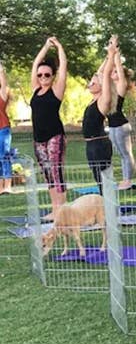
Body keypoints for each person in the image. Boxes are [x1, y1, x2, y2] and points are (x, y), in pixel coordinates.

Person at [31, 37, 68, 219]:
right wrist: (45, 46)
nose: (43, 77)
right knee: (47, 173)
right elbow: (35, 64)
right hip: (38, 138)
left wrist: (59, 47)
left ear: (53, 76)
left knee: (56, 170)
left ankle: (62, 210)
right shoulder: (35, 90)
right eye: (40, 75)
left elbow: (63, 67)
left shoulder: (57, 89)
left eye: (47, 74)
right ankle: (55, 209)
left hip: (55, 136)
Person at [82, 37, 120, 190]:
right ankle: (105, 208)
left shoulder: (103, 101)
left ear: (101, 86)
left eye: (93, 82)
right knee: (99, 181)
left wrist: (111, 57)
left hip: (99, 145)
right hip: (91, 145)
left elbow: (104, 75)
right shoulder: (93, 100)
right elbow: (99, 72)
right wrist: (108, 55)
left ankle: (109, 209)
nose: (90, 84)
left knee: (105, 181)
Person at [108, 44, 136, 190]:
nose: (112, 73)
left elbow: (118, 68)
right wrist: (110, 54)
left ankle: (127, 181)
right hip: (112, 126)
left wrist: (116, 55)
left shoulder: (121, 85)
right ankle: (126, 179)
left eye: (115, 72)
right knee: (121, 154)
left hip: (121, 125)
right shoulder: (110, 87)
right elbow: (102, 72)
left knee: (126, 154)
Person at [0, 61, 11, 195]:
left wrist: (1, 69)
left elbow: (4, 83)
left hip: (3, 129)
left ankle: (7, 185)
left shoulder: (1, 96)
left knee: (4, 156)